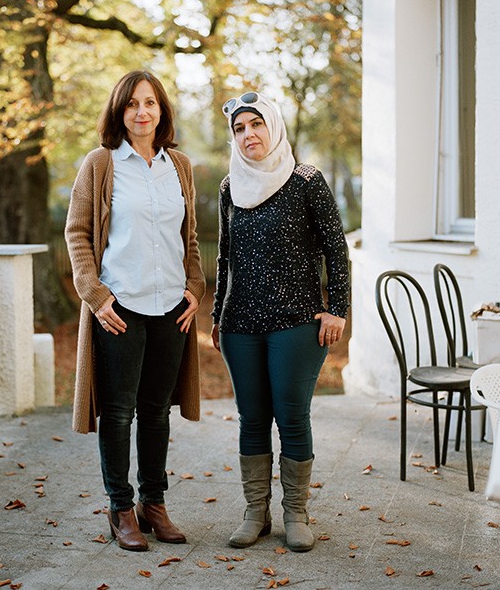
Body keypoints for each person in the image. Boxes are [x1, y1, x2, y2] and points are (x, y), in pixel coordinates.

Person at [64, 70, 206, 552]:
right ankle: (120, 508)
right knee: (120, 412)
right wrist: (96, 295)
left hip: (171, 307)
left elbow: (189, 238)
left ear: (161, 110)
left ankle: (154, 504)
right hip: (119, 308)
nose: (141, 112)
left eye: (150, 103)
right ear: (119, 112)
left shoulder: (179, 166)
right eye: (132, 104)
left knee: (156, 413)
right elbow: (77, 233)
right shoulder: (101, 165)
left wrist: (195, 287)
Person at [211, 91, 350, 552]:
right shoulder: (230, 187)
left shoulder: (306, 180)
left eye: (256, 124)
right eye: (240, 128)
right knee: (252, 419)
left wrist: (339, 309)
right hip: (241, 323)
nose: (249, 134)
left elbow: (336, 248)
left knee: (291, 417)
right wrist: (216, 316)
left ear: (272, 126)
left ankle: (296, 513)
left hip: (297, 322)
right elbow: (224, 255)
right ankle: (256, 513)